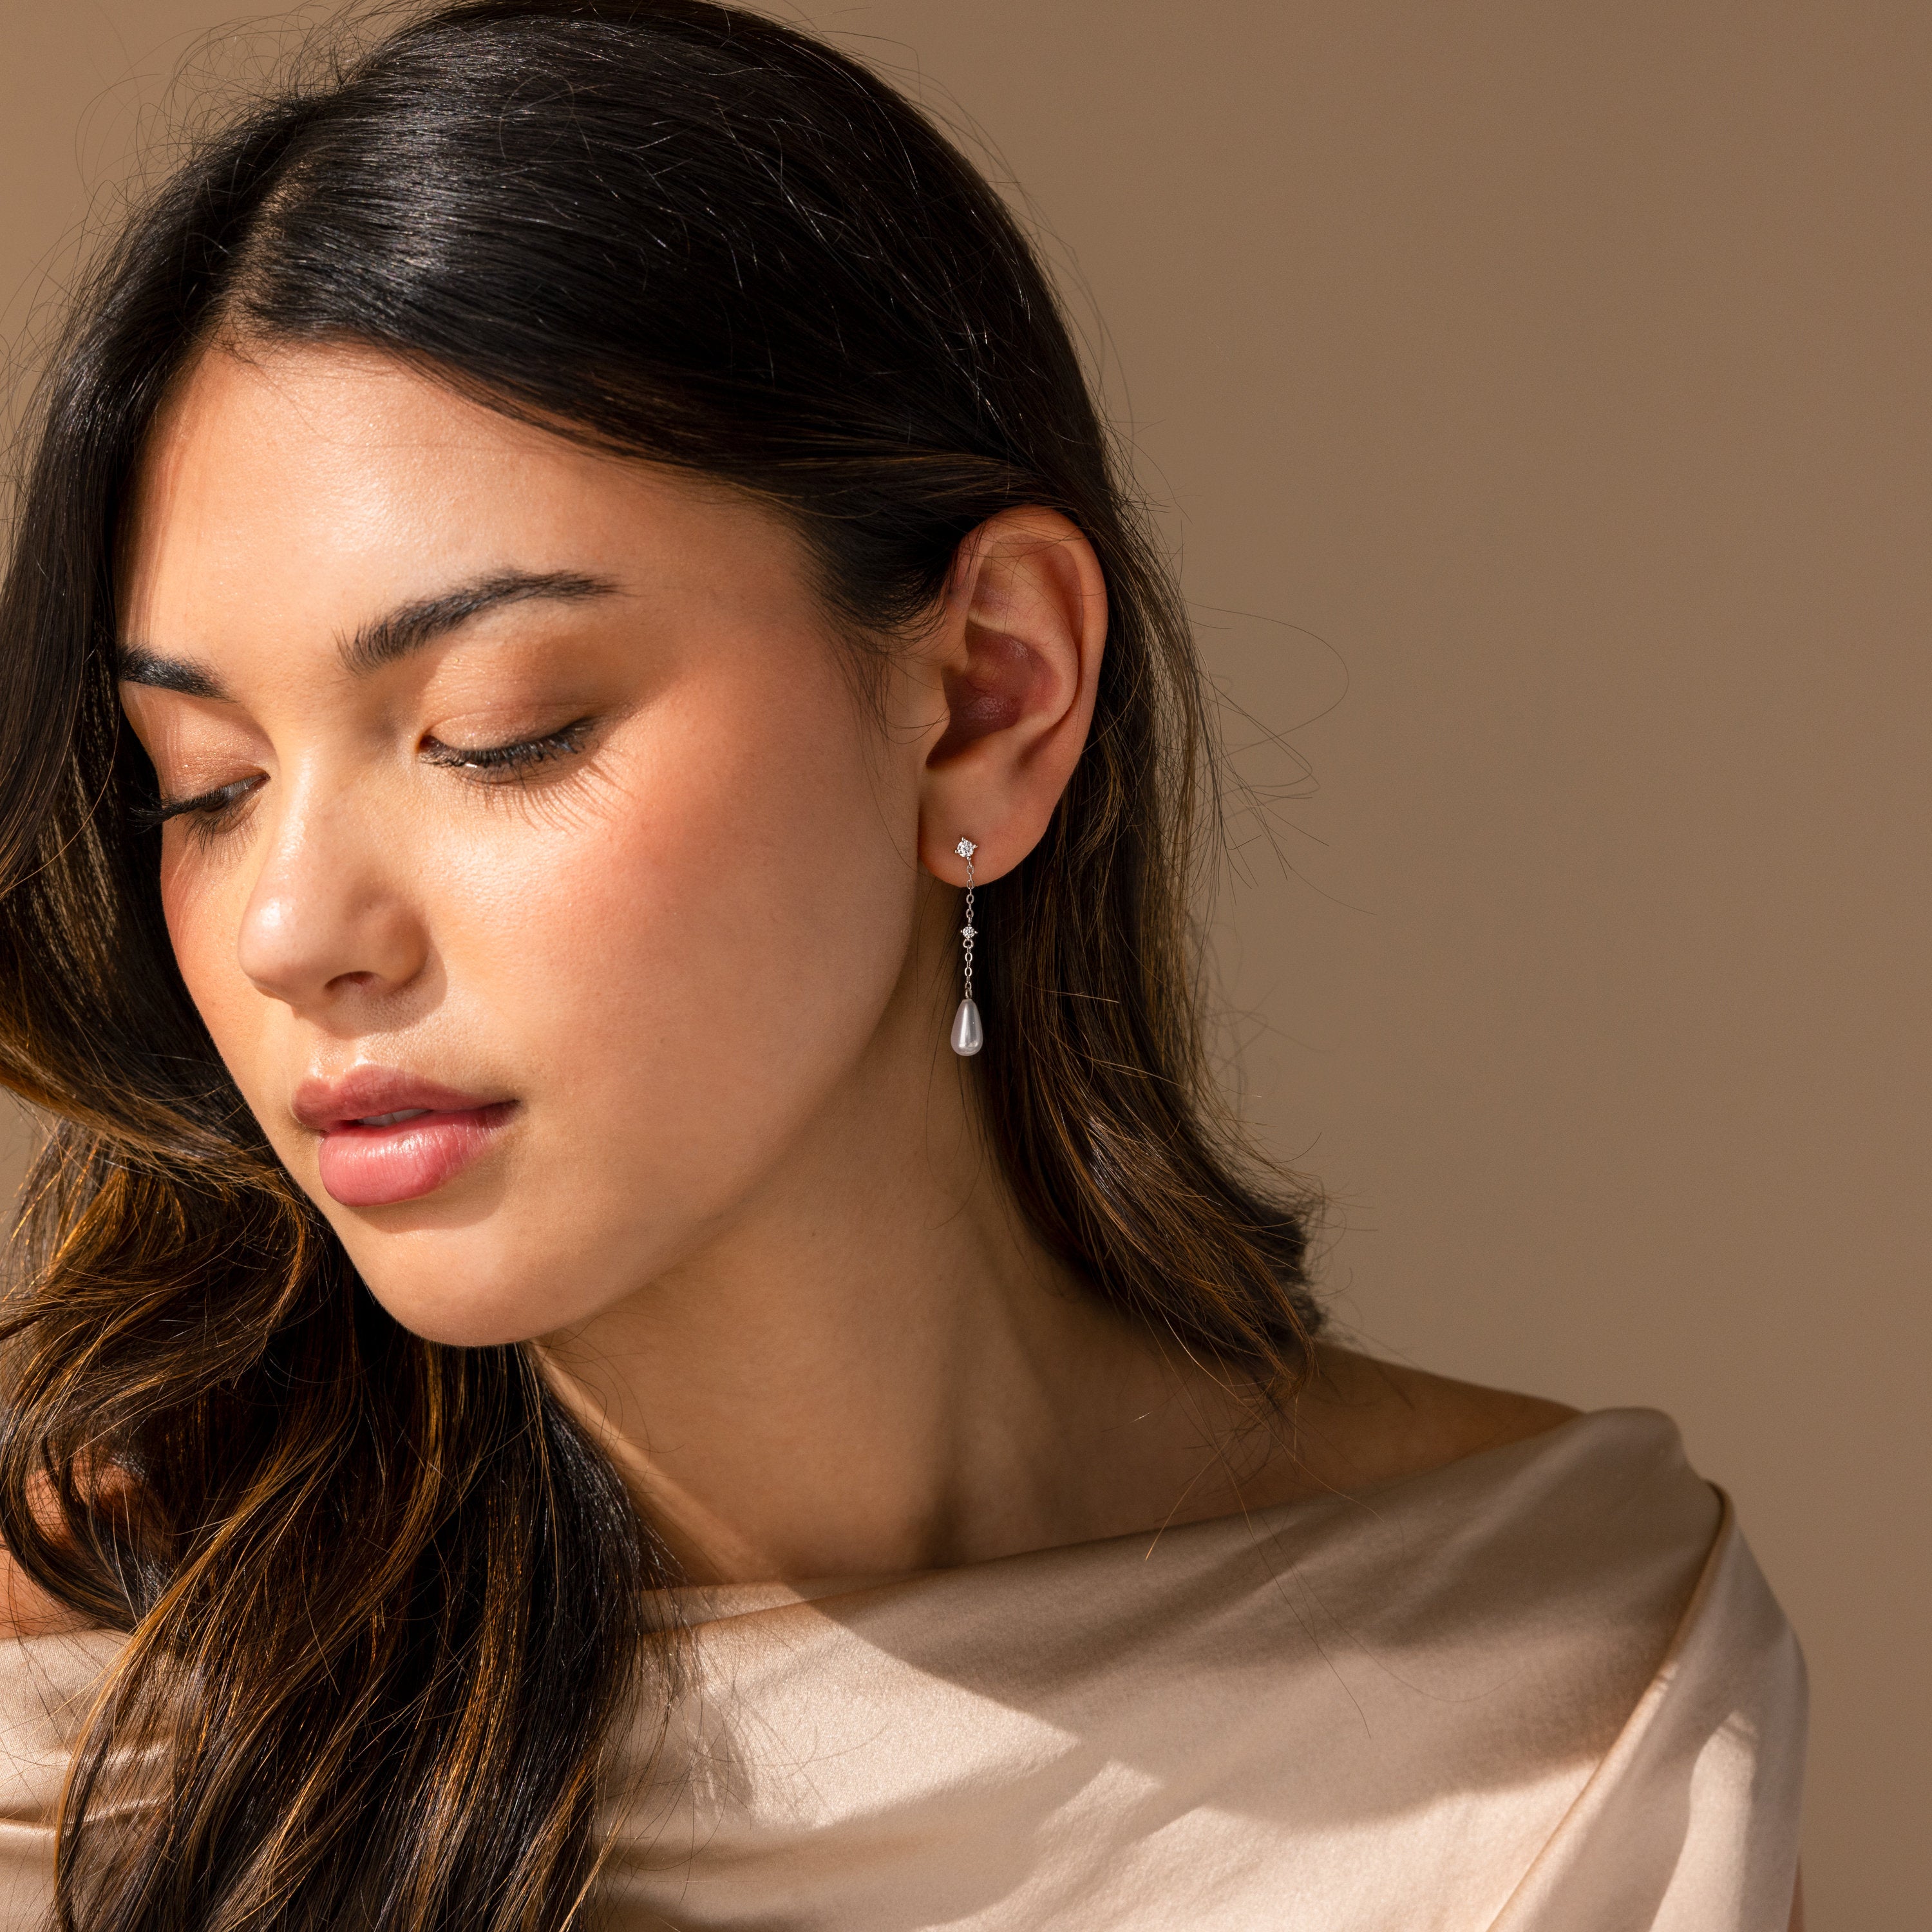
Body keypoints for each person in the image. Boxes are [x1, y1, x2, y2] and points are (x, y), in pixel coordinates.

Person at [0, 3, 1804, 1926]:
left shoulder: (1564, 1677)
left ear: (984, 699)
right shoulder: (81, 1701)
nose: (289, 931)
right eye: (200, 785)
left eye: (496, 729)